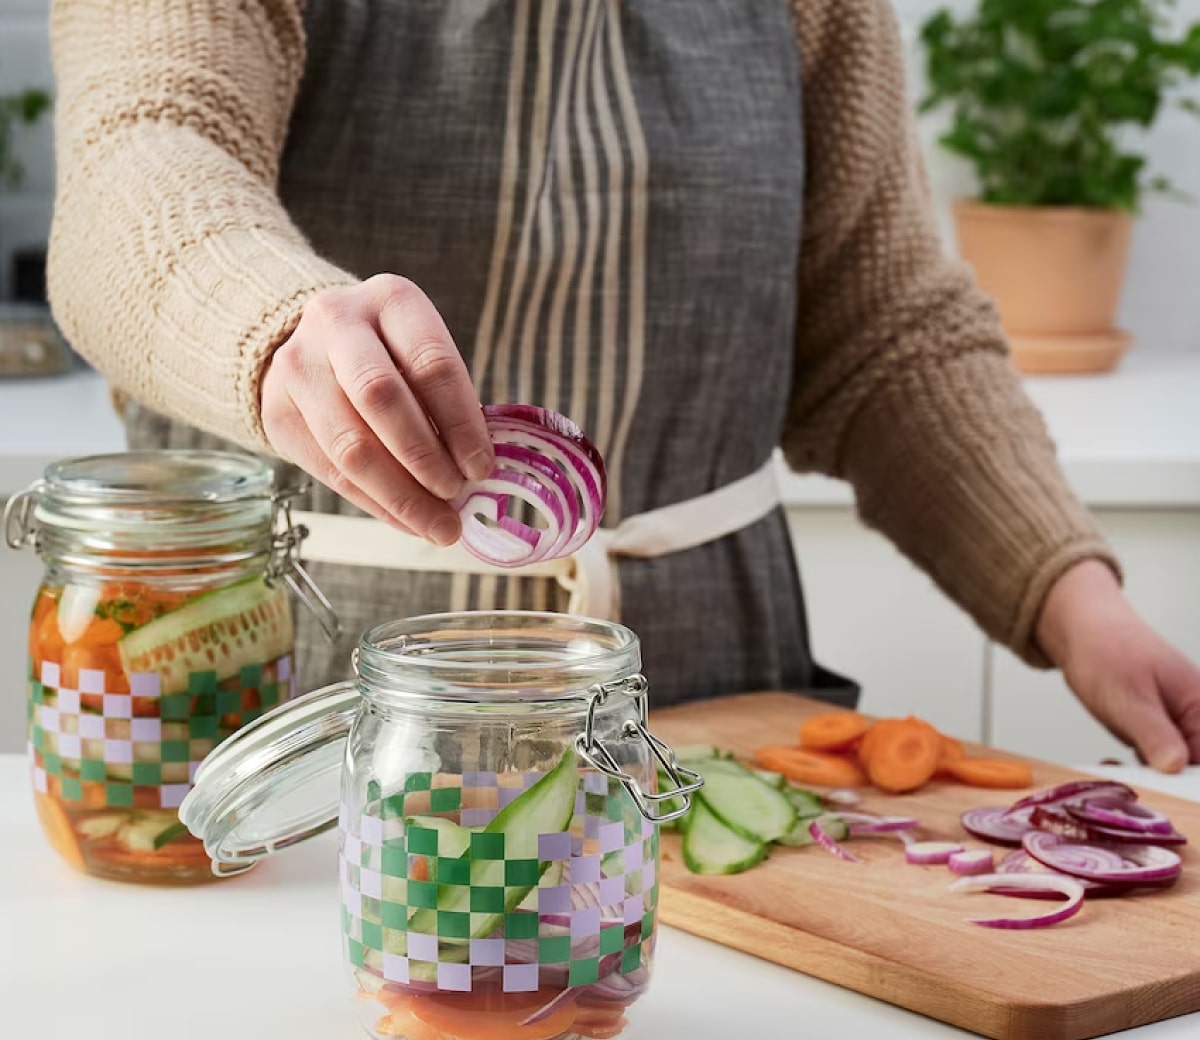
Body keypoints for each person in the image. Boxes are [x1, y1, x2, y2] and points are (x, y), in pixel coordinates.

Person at [47, 0, 1200, 771]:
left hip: (701, 717)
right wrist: (279, 326)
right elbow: (142, 155)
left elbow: (885, 331)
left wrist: (1075, 602)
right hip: (294, 717)